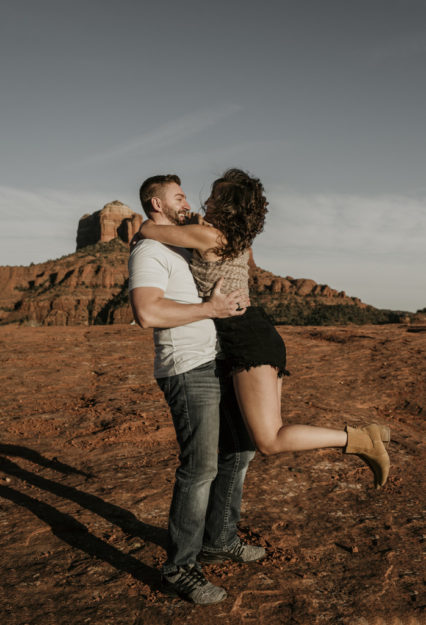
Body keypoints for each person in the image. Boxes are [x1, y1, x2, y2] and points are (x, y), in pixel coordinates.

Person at [139, 168, 391, 492]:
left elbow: (149, 229)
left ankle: (359, 439)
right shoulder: (232, 236)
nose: (205, 201)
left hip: (246, 339)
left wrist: (149, 224)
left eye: (214, 196)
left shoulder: (208, 236)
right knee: (266, 432)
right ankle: (363, 436)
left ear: (226, 205)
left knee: (269, 440)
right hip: (254, 332)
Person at [128, 174, 265, 606]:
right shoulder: (149, 249)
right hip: (187, 368)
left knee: (239, 451)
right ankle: (180, 567)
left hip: (215, 360)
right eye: (179, 196)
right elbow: (147, 312)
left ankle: (221, 537)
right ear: (156, 203)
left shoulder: (180, 241)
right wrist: (210, 308)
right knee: (200, 468)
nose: (188, 201)